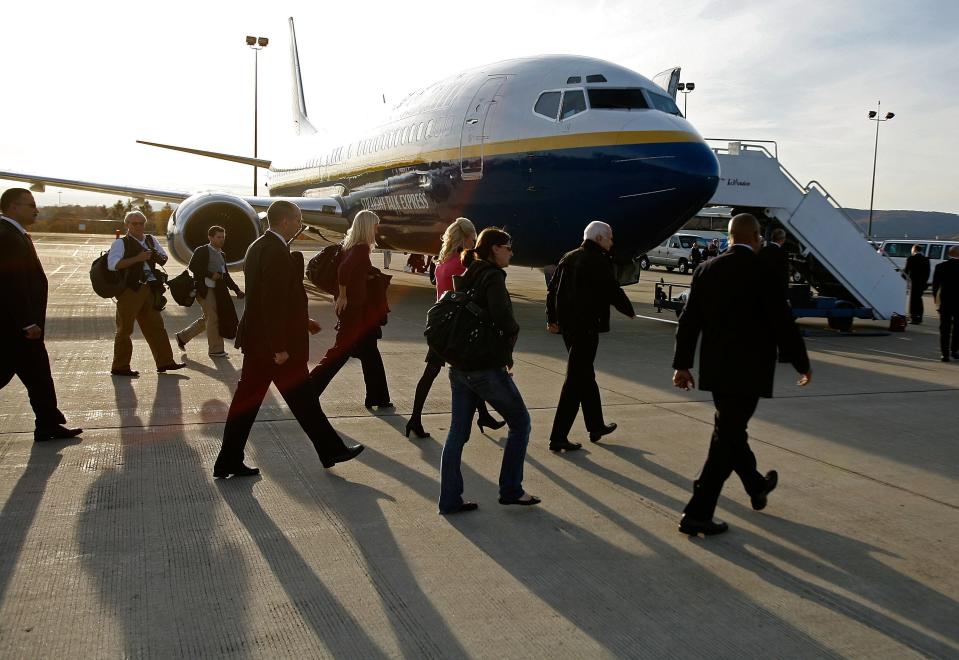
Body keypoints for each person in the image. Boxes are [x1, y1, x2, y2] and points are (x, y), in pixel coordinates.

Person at [672, 213, 811, 536]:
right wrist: (800, 362)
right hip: (750, 371)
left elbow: (689, 321)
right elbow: (782, 321)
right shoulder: (765, 271)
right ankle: (697, 512)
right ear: (756, 237)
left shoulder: (707, 269)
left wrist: (682, 365)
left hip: (717, 370)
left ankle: (755, 483)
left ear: (731, 236)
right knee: (727, 437)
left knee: (730, 430)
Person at [215, 200, 363, 478]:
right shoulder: (275, 252)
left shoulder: (258, 246)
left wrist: (303, 322)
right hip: (274, 348)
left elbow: (267, 299)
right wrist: (279, 347)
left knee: (293, 401)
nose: (300, 225)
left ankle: (230, 460)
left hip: (261, 342)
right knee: (294, 401)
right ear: (285, 221)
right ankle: (331, 449)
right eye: (297, 220)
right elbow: (271, 303)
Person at [438, 227, 539, 514]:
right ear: (495, 248)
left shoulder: (467, 272)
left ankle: (449, 499)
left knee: (457, 433)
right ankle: (511, 489)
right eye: (508, 247)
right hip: (484, 367)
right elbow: (503, 319)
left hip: (459, 366)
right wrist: (508, 348)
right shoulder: (492, 276)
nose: (511, 252)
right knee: (520, 423)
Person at [407, 218, 504, 439]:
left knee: (432, 373)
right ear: (465, 238)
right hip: (458, 327)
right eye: (473, 238)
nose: (475, 242)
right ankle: (482, 415)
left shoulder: (442, 262)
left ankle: (415, 418)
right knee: (472, 371)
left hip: (441, 324)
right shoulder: (462, 264)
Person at [0, 188, 83, 442]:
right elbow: (11, 284)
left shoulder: (15, 233)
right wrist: (27, 322)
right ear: (13, 207)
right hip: (14, 327)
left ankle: (48, 423)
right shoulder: (7, 236)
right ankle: (48, 422)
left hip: (22, 327)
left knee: (39, 377)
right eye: (30, 205)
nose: (35, 209)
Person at [545, 221, 635, 451]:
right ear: (599, 239)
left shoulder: (568, 257)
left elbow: (552, 289)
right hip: (586, 328)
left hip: (569, 328)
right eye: (610, 237)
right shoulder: (598, 260)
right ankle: (558, 436)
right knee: (575, 381)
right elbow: (612, 289)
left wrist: (552, 318)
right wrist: (628, 310)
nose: (612, 242)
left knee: (585, 374)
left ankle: (595, 425)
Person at [310, 210, 392, 408]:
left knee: (370, 351)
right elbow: (344, 270)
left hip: (360, 309)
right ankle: (307, 390)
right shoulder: (361, 248)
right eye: (374, 225)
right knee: (340, 352)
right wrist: (344, 294)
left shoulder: (351, 246)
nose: (376, 229)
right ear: (366, 227)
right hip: (354, 309)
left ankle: (378, 397)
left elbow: (352, 271)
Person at [107, 211, 184, 377]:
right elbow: (113, 265)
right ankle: (120, 366)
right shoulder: (121, 243)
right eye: (134, 223)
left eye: (141, 223)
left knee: (156, 327)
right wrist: (138, 258)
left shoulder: (150, 240)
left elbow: (163, 257)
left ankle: (165, 362)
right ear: (127, 225)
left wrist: (154, 255)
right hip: (129, 291)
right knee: (125, 329)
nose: (138, 226)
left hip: (149, 289)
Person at [175, 225, 245, 358]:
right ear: (210, 237)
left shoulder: (221, 254)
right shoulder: (202, 251)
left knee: (208, 318)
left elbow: (226, 276)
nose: (221, 240)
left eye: (223, 237)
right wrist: (210, 274)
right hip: (204, 290)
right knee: (213, 318)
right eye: (218, 237)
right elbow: (193, 267)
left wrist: (236, 290)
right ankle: (216, 349)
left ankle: (182, 337)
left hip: (219, 291)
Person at [932, 245, 959, 361]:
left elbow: (935, 287)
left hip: (945, 302)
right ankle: (955, 350)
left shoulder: (940, 267)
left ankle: (944, 354)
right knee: (958, 328)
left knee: (945, 329)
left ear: (949, 254)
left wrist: (936, 302)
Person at [758, 228, 790, 299]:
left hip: (763, 290)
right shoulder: (783, 254)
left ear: (772, 238)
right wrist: (786, 296)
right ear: (783, 240)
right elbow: (784, 276)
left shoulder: (762, 251)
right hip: (776, 291)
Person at [904, 244, 931, 325]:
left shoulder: (911, 258)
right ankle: (919, 317)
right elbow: (928, 272)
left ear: (914, 250)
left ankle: (913, 318)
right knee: (919, 299)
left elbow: (906, 271)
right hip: (922, 283)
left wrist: (902, 278)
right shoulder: (926, 259)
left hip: (914, 282)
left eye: (912, 250)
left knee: (913, 300)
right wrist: (924, 282)